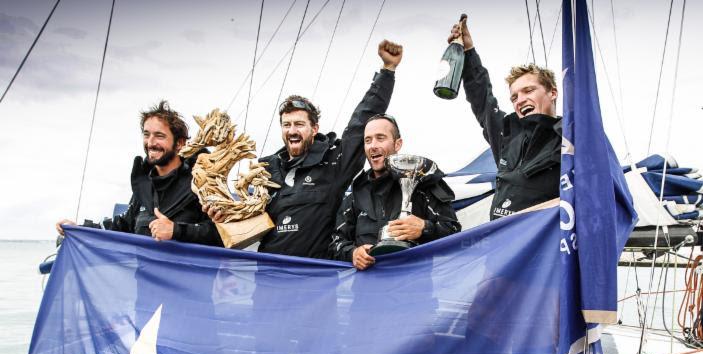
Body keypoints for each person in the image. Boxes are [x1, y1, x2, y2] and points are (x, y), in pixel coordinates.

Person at [208, 40, 403, 259]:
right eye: (286, 124)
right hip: (269, 279)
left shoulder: (335, 162)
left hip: (317, 279)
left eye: (299, 124)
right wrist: (224, 217)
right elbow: (247, 226)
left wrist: (387, 71)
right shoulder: (265, 168)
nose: (292, 130)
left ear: (314, 129)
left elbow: (361, 122)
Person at [57, 100, 222, 246]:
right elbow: (121, 226)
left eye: (159, 136)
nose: (150, 143)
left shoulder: (202, 184)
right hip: (142, 279)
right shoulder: (144, 186)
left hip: (186, 280)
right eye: (146, 134)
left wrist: (176, 230)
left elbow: (222, 235)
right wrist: (78, 229)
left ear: (179, 143)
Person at [448, 16, 561, 220]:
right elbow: (483, 102)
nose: (520, 100)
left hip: (545, 243)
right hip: (502, 242)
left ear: (552, 93)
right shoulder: (507, 133)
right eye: (515, 97)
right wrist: (468, 52)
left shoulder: (571, 137)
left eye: (528, 90)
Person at [329, 114, 461, 269]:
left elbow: (455, 235)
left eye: (380, 138)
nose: (373, 145)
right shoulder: (355, 194)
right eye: (368, 140)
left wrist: (424, 228)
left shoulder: (425, 185)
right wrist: (352, 253)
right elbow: (335, 242)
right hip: (367, 289)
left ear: (397, 144)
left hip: (415, 288)